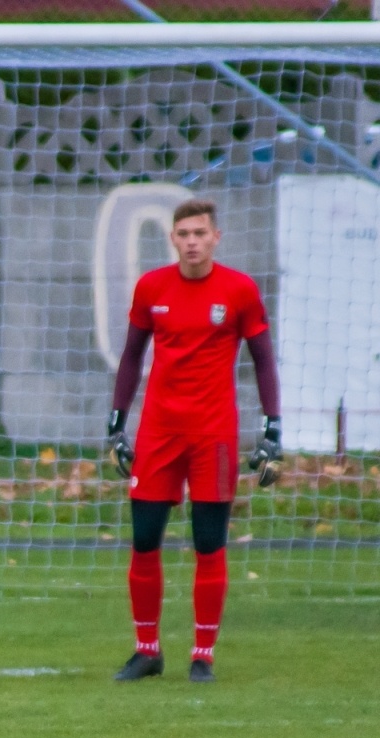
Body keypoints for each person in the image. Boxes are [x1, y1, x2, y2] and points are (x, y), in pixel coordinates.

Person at [106, 199, 282, 684]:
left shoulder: (239, 290)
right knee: (144, 541)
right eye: (183, 233)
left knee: (209, 544)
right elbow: (131, 356)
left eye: (199, 232)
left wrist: (272, 428)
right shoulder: (151, 288)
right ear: (173, 239)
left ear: (215, 237)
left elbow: (264, 360)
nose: (191, 241)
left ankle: (202, 653)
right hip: (159, 432)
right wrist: (117, 424)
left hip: (214, 435)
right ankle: (147, 651)